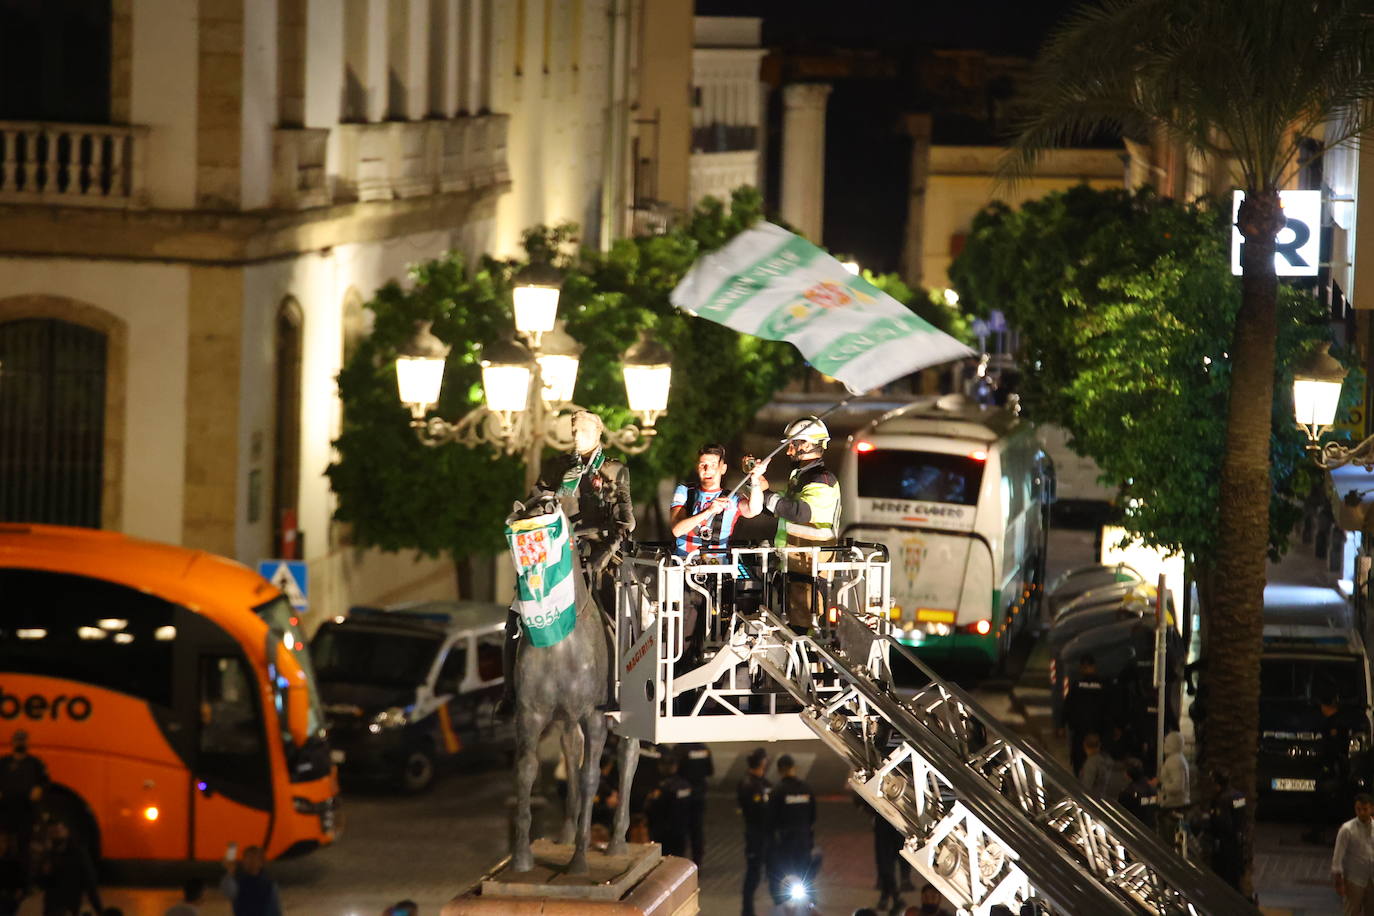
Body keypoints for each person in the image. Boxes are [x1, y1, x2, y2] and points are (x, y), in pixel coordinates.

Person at [500, 409, 635, 712]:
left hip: (598, 555)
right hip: (555, 554)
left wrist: (604, 553)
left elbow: (626, 522)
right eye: (573, 430)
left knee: (624, 620)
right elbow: (537, 502)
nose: (576, 435)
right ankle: (510, 693)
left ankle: (622, 687)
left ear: (597, 434)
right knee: (515, 618)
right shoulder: (557, 466)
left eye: (582, 430)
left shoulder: (614, 470)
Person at [670, 444, 764, 663]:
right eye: (703, 464)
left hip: (719, 575)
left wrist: (756, 479)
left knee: (719, 632)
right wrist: (708, 511)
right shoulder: (686, 491)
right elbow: (677, 529)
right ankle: (679, 675)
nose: (707, 470)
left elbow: (754, 509)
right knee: (682, 636)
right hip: (685, 571)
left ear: (723, 468)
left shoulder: (731, 497)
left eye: (713, 465)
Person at [750, 417, 842, 633]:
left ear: (808, 445)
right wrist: (756, 487)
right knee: (794, 631)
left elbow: (799, 512)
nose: (789, 451)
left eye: (793, 444)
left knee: (807, 635)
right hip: (796, 567)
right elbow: (780, 508)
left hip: (811, 571)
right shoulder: (802, 478)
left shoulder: (822, 480)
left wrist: (767, 494)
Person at [768, 754, 817, 906]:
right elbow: (813, 816)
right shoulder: (806, 788)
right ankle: (809, 904)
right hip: (804, 840)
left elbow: (771, 818)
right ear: (793, 768)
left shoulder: (777, 791)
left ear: (779, 770)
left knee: (784, 874)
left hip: (785, 842)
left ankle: (784, 904)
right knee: (804, 874)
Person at [1308, 690, 1355, 845]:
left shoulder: (1335, 723)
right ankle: (1320, 833)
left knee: (1328, 801)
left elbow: (1334, 747)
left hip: (1334, 768)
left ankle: (1325, 834)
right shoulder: (1337, 721)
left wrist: (1328, 765)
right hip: (1334, 767)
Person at [0, 731, 46, 872]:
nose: (20, 743)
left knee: (24, 848)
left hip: (26, 812)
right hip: (4, 811)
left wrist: (39, 788)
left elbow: (45, 782)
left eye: (23, 740)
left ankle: (25, 885)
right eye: (18, 740)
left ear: (27, 742)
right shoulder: (4, 762)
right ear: (12, 742)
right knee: (3, 847)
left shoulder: (35, 763)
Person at [35, 821, 100, 916]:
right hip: (52, 906)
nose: (55, 835)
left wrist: (98, 908)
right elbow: (42, 883)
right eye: (52, 832)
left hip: (70, 905)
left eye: (58, 831)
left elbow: (89, 881)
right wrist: (44, 873)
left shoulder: (77, 854)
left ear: (67, 832)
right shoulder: (49, 855)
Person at [1060, 655, 1109, 775]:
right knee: (1098, 761)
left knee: (1079, 760)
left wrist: (1061, 725)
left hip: (1080, 731)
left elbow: (1067, 707)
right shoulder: (1103, 685)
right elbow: (1108, 708)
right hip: (1098, 731)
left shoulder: (1077, 685)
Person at [738, 747, 772, 916]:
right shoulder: (749, 785)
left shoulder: (764, 783)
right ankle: (747, 912)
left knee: (772, 872)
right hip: (756, 835)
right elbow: (754, 810)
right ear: (763, 762)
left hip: (766, 835)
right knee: (754, 873)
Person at [1332, 793, 1374, 915]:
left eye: (1365, 809)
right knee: (1351, 912)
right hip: (1354, 880)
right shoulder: (1347, 829)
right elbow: (1337, 857)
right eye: (1358, 809)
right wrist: (1338, 882)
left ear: (1372, 808)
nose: (1361, 812)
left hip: (1372, 880)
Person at [646, 751, 693, 858]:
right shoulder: (685, 785)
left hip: (662, 831)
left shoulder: (661, 788)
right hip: (681, 829)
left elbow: (653, 808)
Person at [1207, 767, 1247, 891]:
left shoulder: (1222, 799)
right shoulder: (1239, 796)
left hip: (1226, 845)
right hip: (1238, 842)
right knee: (1235, 876)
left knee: (1225, 878)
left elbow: (1223, 824)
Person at [676, 742, 713, 868]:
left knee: (681, 829)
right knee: (697, 829)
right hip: (699, 794)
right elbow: (710, 771)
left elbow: (676, 771)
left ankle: (678, 861)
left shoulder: (680, 749)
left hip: (683, 796)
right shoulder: (704, 749)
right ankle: (698, 861)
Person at [219, 845, 282, 916]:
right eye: (246, 857)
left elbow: (274, 910)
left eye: (252, 858)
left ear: (261, 862)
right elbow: (228, 893)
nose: (248, 861)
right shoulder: (238, 881)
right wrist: (230, 872)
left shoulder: (269, 884)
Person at [1158, 730, 1192, 844]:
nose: (1164, 745)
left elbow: (1178, 786)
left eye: (1167, 742)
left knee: (1169, 841)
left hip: (1173, 806)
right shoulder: (1178, 759)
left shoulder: (1175, 761)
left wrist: (1161, 786)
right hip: (1176, 805)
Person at [1117, 759, 1159, 830]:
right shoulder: (1151, 789)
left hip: (1133, 828)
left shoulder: (1127, 793)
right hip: (1150, 828)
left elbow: (1122, 813)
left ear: (1127, 774)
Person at [0, 833, 26, 916]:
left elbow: (20, 882)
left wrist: (16, 895)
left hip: (7, 901)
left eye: (2, 841)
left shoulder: (13, 862)